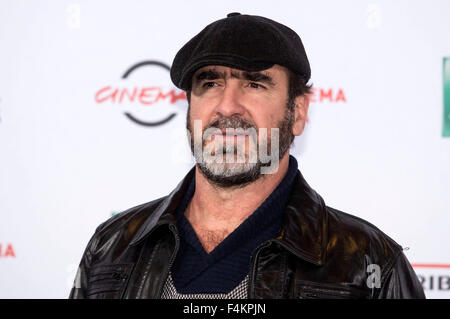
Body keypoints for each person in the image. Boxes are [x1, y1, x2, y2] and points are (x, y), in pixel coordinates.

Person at [69, 13, 425, 299]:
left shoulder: (368, 263)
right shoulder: (113, 245)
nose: (227, 107)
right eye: (210, 84)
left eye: (254, 84)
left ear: (297, 113)